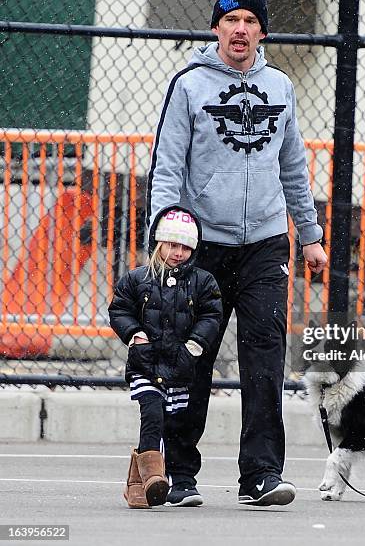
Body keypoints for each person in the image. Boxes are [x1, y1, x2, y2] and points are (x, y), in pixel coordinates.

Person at [146, 0, 328, 507]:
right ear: (216, 29)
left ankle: (262, 476)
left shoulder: (281, 87)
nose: (240, 30)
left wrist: (310, 234)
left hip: (267, 244)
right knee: (191, 358)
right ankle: (180, 474)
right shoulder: (189, 85)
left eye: (250, 21)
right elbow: (167, 166)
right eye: (231, 20)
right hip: (203, 245)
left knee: (266, 359)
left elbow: (293, 165)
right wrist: (164, 232)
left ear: (262, 31)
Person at [108, 206, 222, 508]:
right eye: (173, 245)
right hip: (145, 364)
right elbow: (119, 310)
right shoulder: (137, 279)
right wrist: (136, 335)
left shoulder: (203, 281)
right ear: (159, 243)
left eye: (186, 247)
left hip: (180, 367)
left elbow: (211, 316)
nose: (179, 252)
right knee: (153, 413)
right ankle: (153, 478)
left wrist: (194, 346)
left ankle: (138, 483)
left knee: (174, 423)